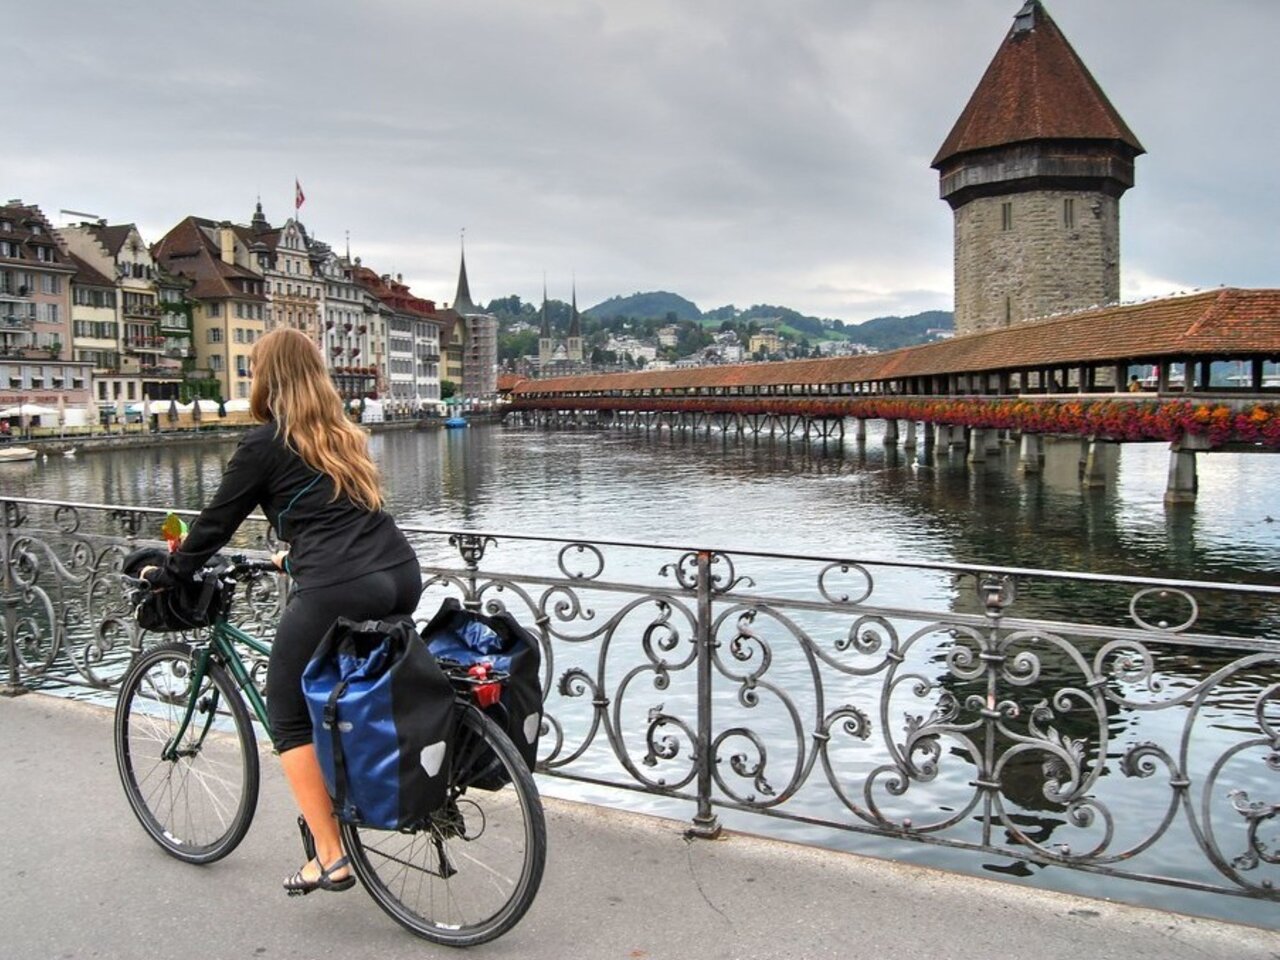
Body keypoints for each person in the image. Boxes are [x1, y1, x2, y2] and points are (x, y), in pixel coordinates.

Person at [143, 327, 422, 896]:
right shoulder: (343, 435)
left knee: (287, 713)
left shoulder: (265, 443)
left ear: (266, 378)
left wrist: (171, 573)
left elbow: (215, 525)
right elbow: (337, 516)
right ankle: (377, 792)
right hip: (399, 573)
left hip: (340, 585)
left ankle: (331, 857)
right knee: (355, 691)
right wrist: (291, 558)